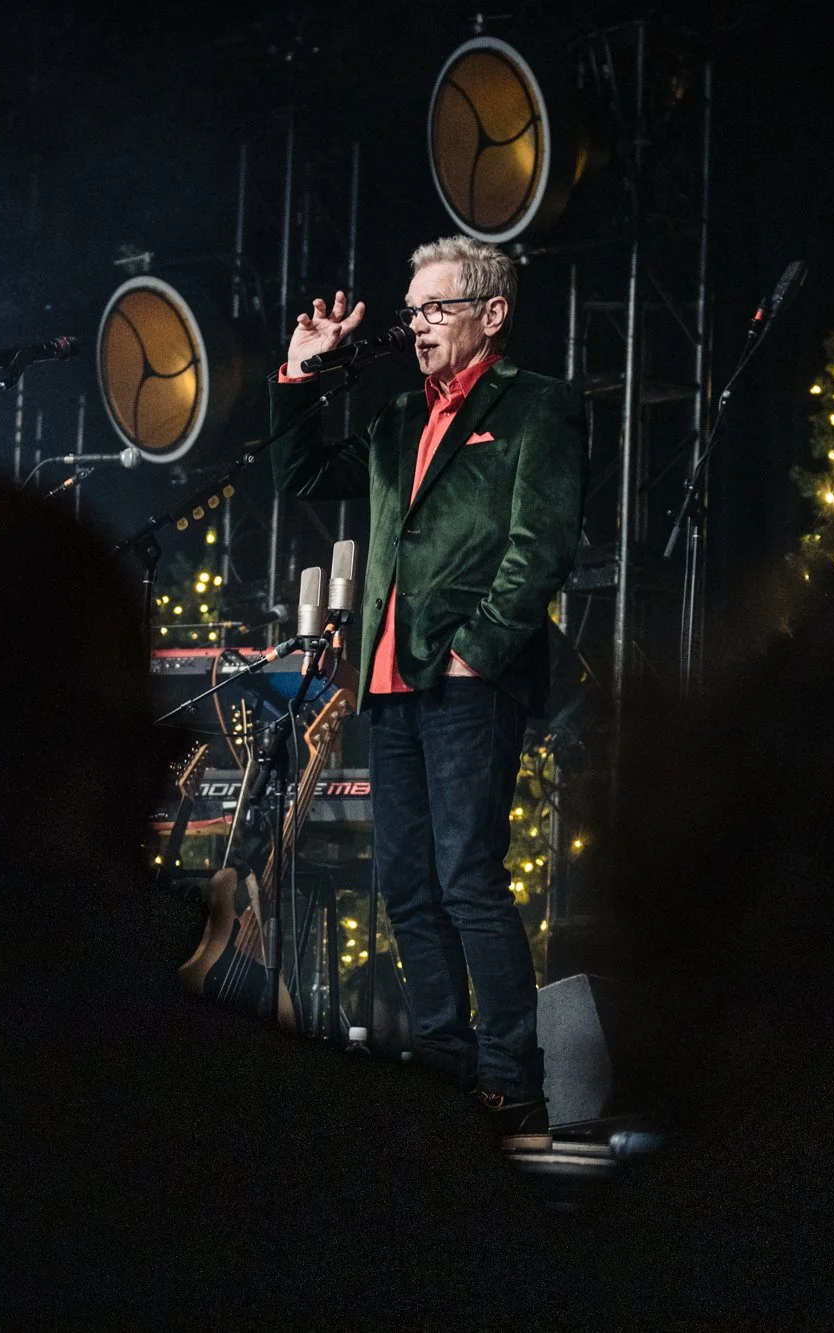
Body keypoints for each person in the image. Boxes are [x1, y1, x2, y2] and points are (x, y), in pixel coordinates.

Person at [273, 235, 585, 1148]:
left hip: (464, 681)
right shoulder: (400, 418)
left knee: (468, 878)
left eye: (438, 306)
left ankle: (509, 1082)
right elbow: (302, 474)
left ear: (493, 312)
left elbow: (542, 545)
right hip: (388, 682)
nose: (418, 325)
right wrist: (297, 377)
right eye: (413, 310)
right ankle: (448, 1069)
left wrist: (477, 651)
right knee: (403, 883)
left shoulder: (537, 408)